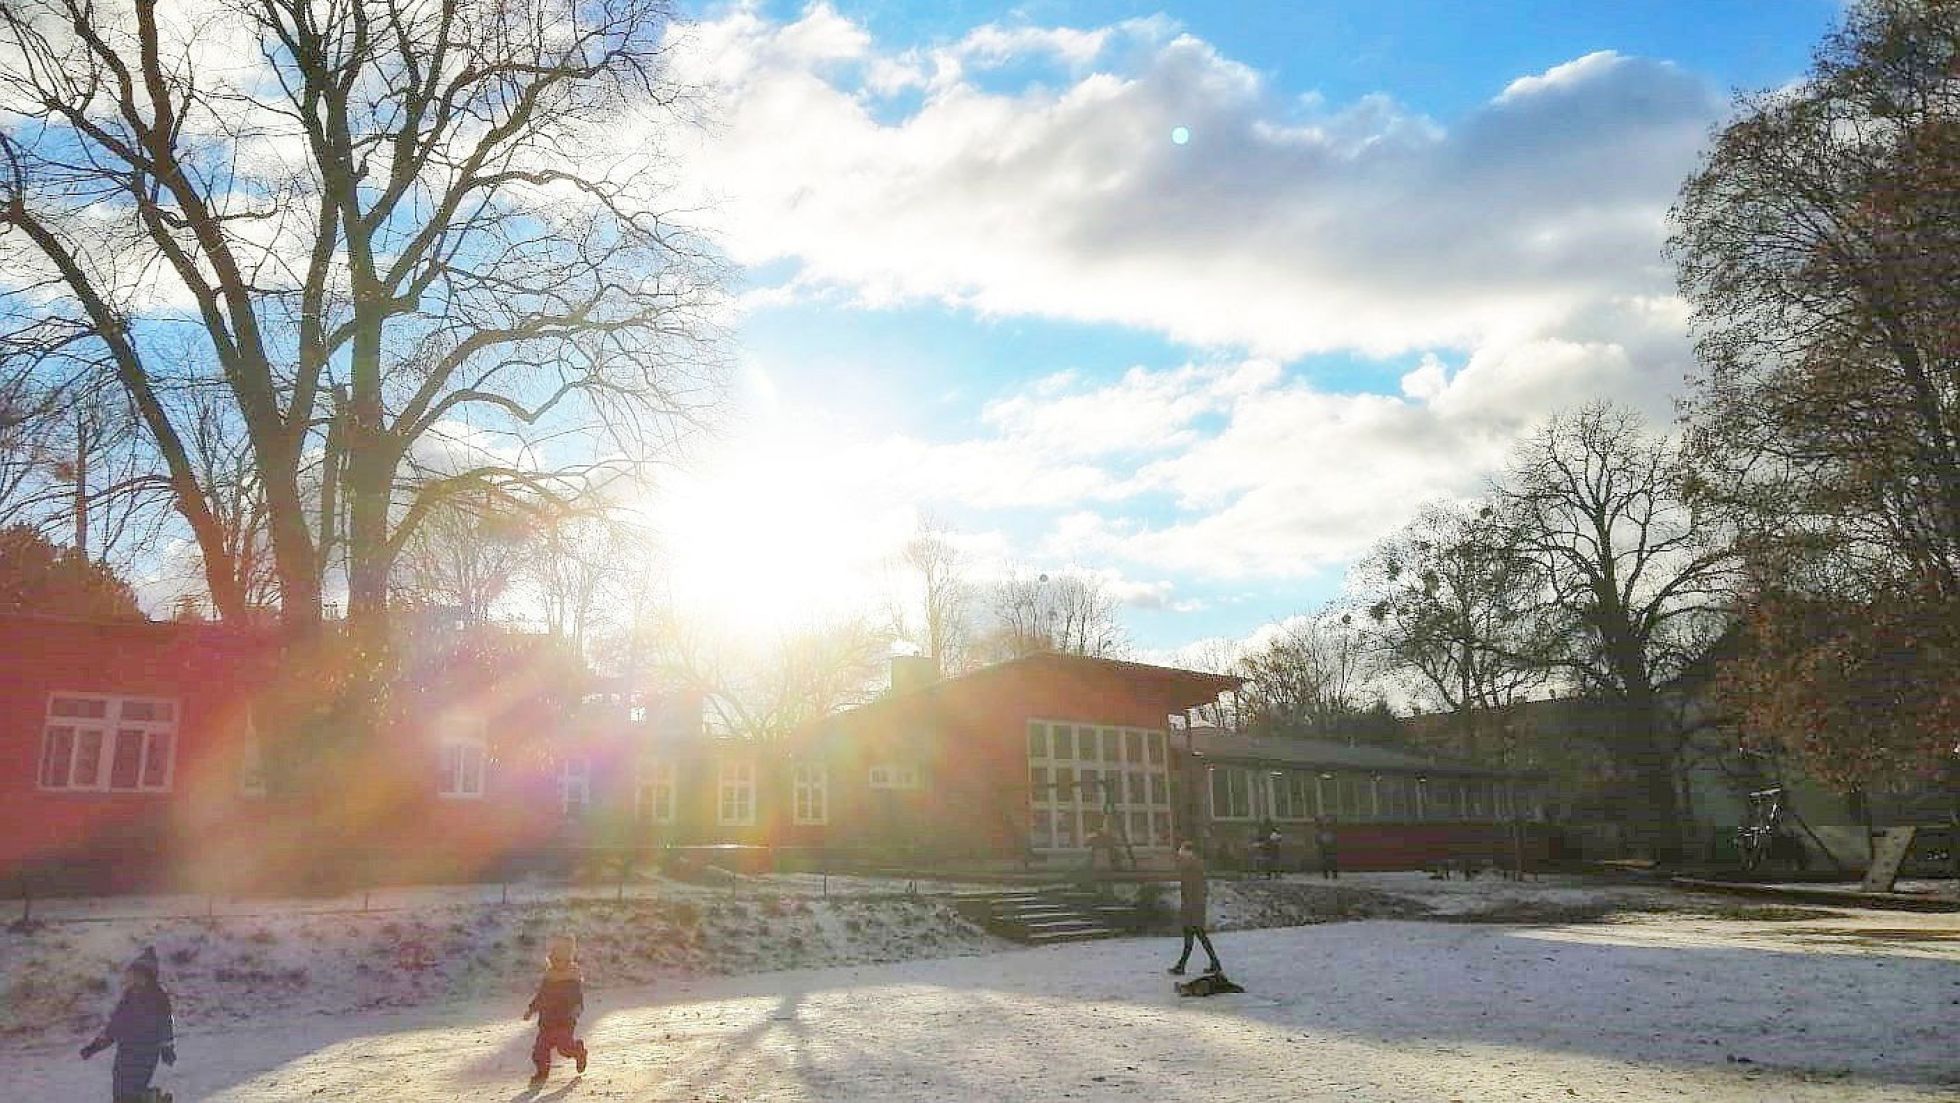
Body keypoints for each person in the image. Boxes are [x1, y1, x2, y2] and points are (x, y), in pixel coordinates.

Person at [80, 945, 175, 1102]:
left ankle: (156, 1100)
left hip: (146, 1053)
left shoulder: (158, 997)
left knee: (131, 1094)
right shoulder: (129, 996)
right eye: (133, 974)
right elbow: (116, 1025)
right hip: (125, 1053)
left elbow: (165, 1024)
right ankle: (156, 1099)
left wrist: (167, 1048)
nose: (134, 978)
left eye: (139, 974)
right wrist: (96, 1046)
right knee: (120, 1092)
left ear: (148, 976)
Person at [523, 935, 588, 1082]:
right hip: (547, 1021)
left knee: (564, 1048)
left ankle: (578, 1051)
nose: (555, 963)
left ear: (567, 960)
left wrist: (576, 1009)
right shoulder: (549, 977)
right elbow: (541, 996)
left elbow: (577, 998)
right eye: (553, 960)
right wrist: (531, 1009)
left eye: (559, 960)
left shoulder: (572, 978)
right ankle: (542, 1072)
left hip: (564, 1021)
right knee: (540, 1049)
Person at [1168, 840, 1222, 976]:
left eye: (1182, 852)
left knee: (1194, 934)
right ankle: (1212, 963)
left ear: (1187, 853)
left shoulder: (1191, 867)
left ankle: (1182, 966)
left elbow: (1194, 888)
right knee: (1197, 935)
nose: (1180, 856)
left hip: (1192, 907)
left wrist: (1189, 905)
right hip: (1194, 905)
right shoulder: (1194, 866)